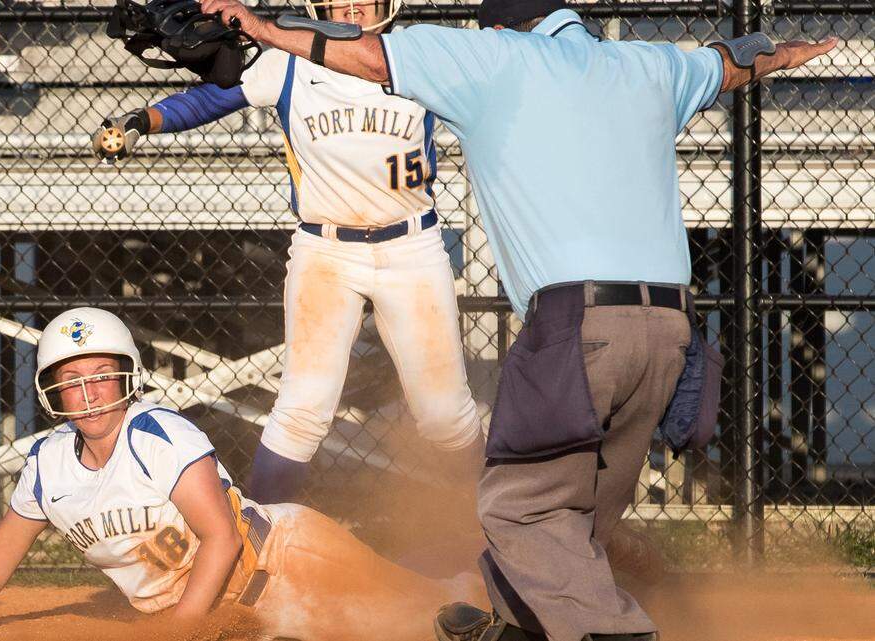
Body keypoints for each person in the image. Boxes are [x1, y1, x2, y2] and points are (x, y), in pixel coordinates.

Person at [192, 0, 837, 639]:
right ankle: (536, 621)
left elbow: (363, 52)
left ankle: (611, 632)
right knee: (580, 515)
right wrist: (788, 51)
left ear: (499, 23)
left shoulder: (495, 57)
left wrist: (259, 26)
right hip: (670, 330)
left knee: (514, 506)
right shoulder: (647, 64)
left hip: (578, 323)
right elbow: (735, 62)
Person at [97, 0, 483, 506]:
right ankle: (267, 544)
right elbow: (212, 99)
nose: (350, 11)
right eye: (338, 2)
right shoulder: (289, 59)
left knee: (444, 413)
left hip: (412, 246)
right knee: (302, 409)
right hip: (326, 251)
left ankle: (483, 532)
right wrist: (142, 120)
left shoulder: (415, 56)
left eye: (362, 2)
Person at [0, 307, 480, 639]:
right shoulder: (47, 464)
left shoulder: (156, 432)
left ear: (128, 377)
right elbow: (8, 541)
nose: (89, 393)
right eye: (71, 381)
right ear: (51, 392)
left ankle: (496, 584)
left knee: (429, 621)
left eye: (102, 375)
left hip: (291, 567)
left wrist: (181, 629)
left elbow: (223, 536)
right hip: (227, 611)